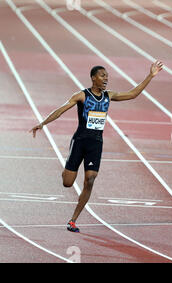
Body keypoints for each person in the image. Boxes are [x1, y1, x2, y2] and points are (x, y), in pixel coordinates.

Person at [30, 61, 164, 232]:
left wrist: (150, 76)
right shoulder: (82, 95)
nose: (106, 78)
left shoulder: (109, 95)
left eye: (107, 76)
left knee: (90, 180)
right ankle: (67, 169)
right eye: (103, 75)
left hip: (96, 144)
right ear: (93, 78)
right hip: (80, 141)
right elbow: (61, 110)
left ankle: (73, 220)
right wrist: (42, 123)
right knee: (67, 183)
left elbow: (133, 94)